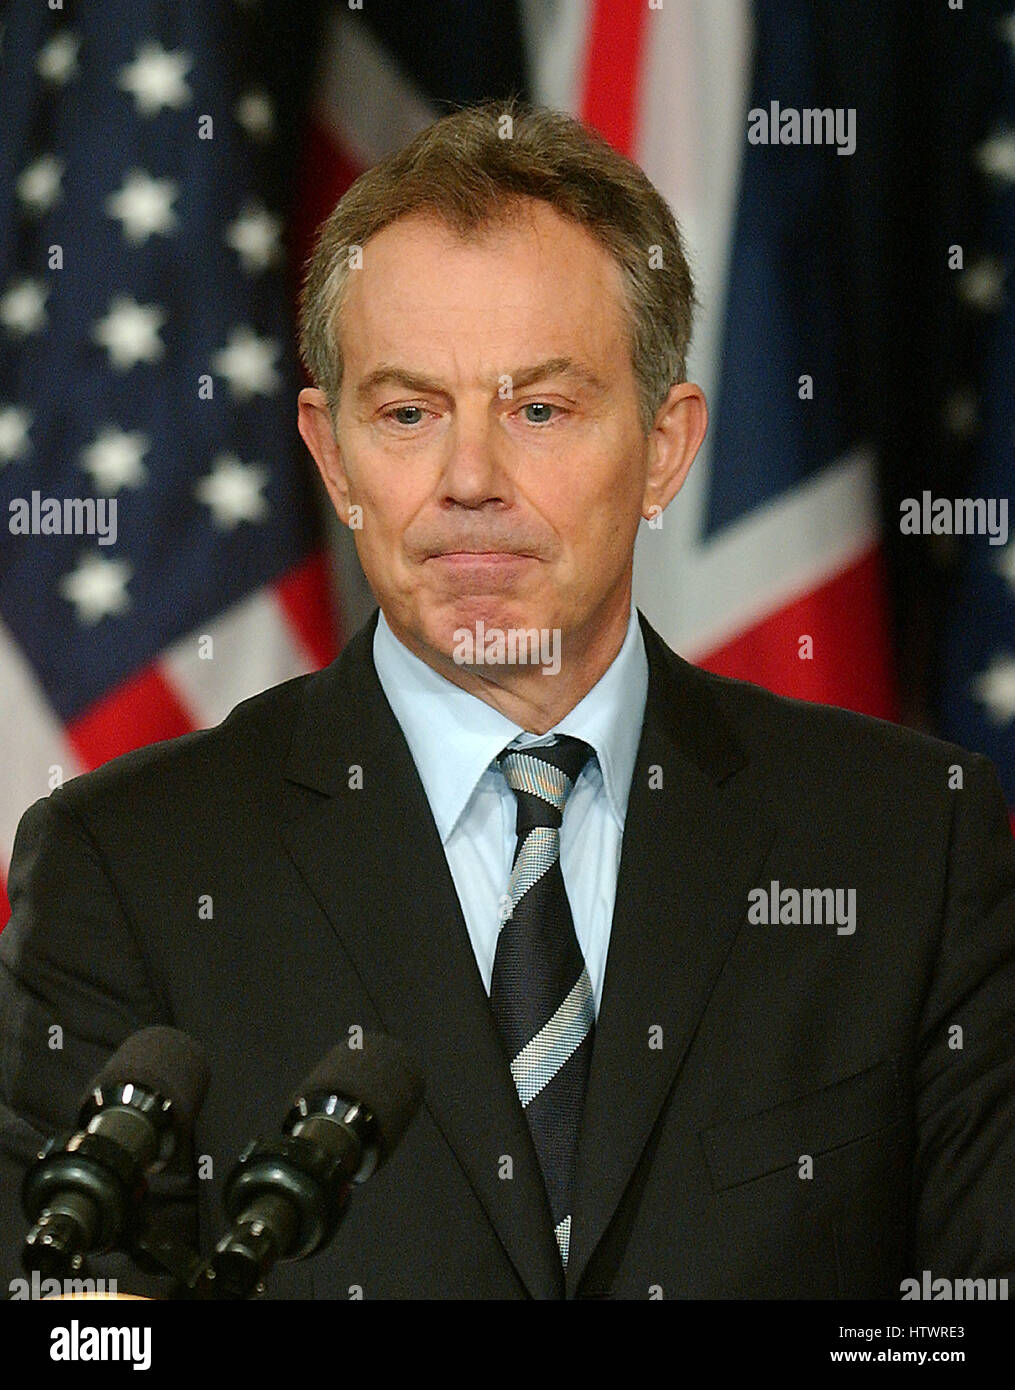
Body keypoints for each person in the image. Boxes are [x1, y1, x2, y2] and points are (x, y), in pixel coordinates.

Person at [1, 99, 1013, 1301]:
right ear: (330, 457)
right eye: (408, 412)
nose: (469, 479)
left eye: (539, 408)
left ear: (665, 448)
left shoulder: (904, 836)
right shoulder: (129, 867)